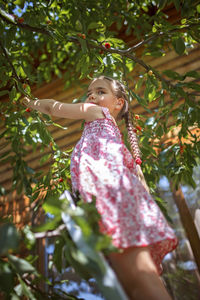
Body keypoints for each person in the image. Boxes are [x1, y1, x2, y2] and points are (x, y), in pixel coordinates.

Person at [23, 76, 178, 300]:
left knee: (140, 282)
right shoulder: (108, 132)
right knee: (135, 286)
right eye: (90, 92)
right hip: (110, 201)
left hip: (111, 199)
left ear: (119, 103)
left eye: (101, 91)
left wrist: (28, 101)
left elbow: (51, 107)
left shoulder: (97, 113)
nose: (93, 96)